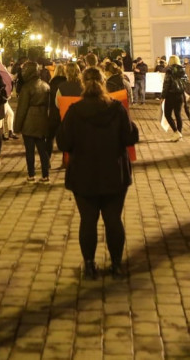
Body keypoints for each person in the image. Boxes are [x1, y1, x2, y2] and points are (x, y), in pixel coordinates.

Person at [57, 67, 138, 280]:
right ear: (104, 83)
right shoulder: (117, 109)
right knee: (113, 220)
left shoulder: (75, 111)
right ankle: (116, 264)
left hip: (83, 174)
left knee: (88, 220)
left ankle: (89, 265)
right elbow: (130, 137)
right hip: (114, 173)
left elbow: (64, 143)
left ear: (83, 83)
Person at [14, 61, 51, 183]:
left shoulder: (26, 88)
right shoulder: (45, 85)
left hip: (29, 122)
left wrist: (17, 127)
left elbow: (21, 110)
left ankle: (31, 174)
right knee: (42, 150)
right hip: (42, 120)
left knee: (30, 151)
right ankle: (45, 175)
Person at [161, 55, 189, 137]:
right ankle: (179, 132)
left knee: (167, 114)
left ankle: (176, 132)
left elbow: (166, 84)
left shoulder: (169, 70)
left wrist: (162, 96)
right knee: (178, 114)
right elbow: (186, 82)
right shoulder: (182, 70)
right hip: (180, 95)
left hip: (170, 95)